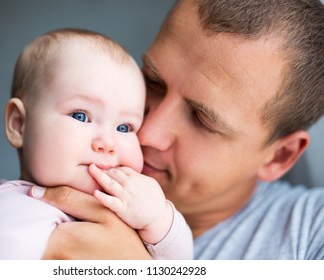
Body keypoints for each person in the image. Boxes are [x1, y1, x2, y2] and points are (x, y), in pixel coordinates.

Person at [30, 0, 324, 259]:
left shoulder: (312, 236)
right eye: (153, 82)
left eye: (201, 119)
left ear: (279, 157)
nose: (145, 134)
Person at [0, 28, 193, 260]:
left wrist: (159, 219)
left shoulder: (133, 210)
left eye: (124, 127)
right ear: (19, 125)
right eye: (81, 116)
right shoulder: (12, 212)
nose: (107, 143)